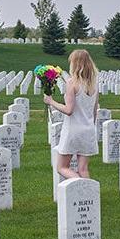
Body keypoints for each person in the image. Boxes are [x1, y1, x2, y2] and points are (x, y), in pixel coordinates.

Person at [44, 49, 99, 179]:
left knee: (61, 167)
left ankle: (80, 184)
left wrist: (51, 101)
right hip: (89, 129)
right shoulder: (94, 84)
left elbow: (69, 110)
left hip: (73, 130)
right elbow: (94, 110)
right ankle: (89, 195)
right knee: (83, 169)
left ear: (75, 64)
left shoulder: (72, 83)